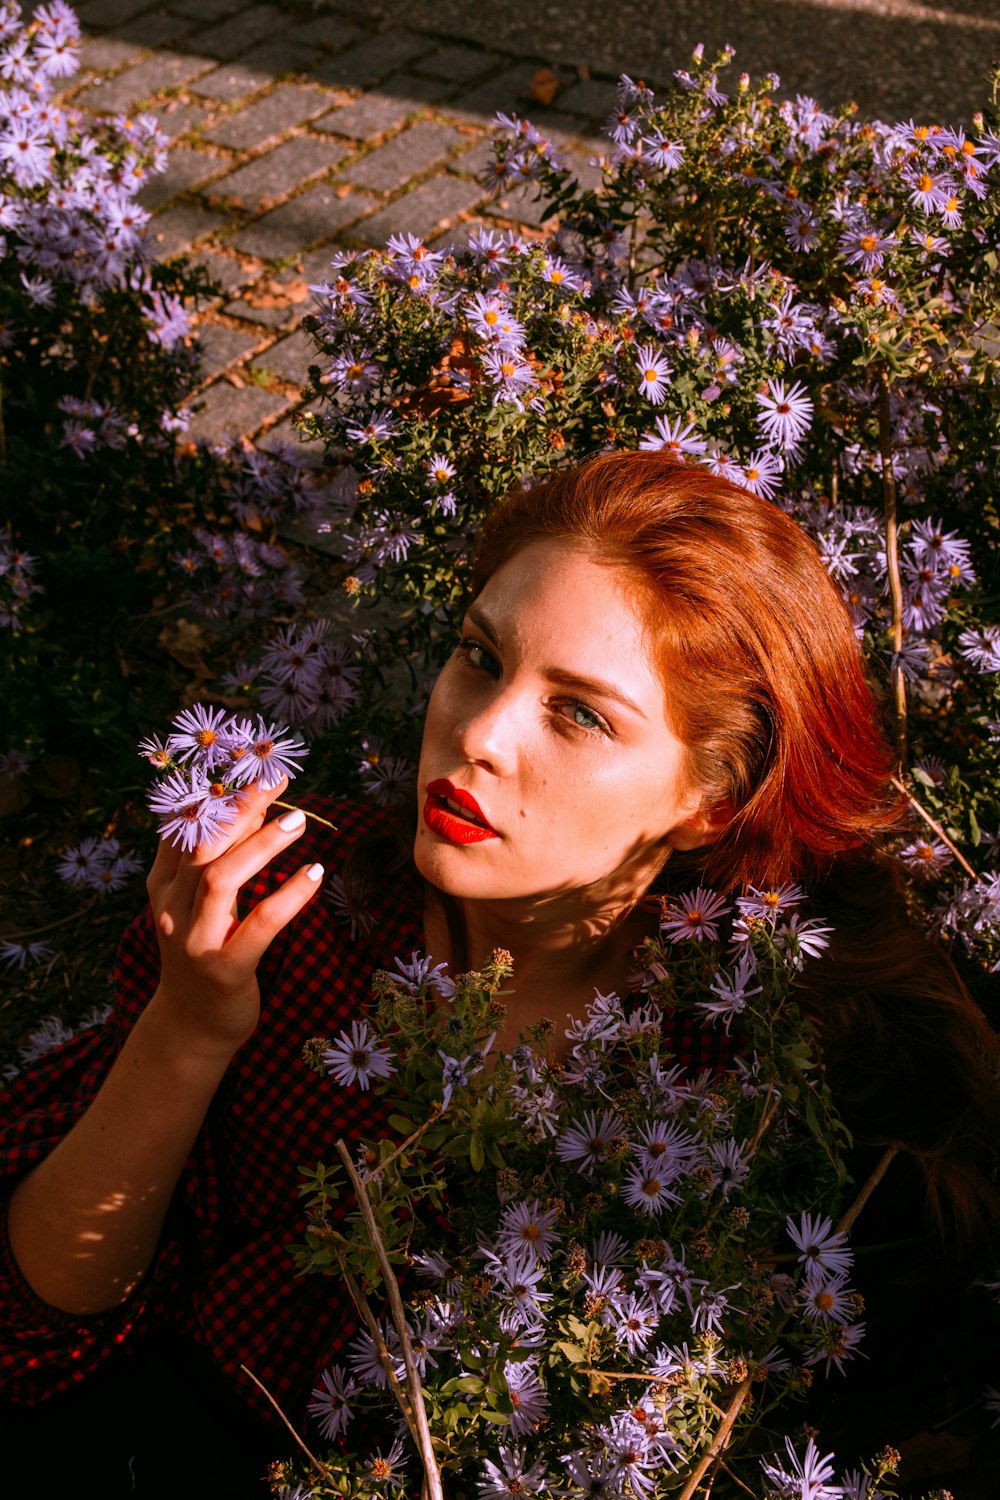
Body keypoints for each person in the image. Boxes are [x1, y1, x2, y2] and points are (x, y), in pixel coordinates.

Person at [2, 451, 997, 1494]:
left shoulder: (744, 1079)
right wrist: (188, 1025)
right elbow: (33, 1330)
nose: (475, 733)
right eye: (479, 655)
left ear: (710, 799)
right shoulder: (292, 910)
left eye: (580, 714)